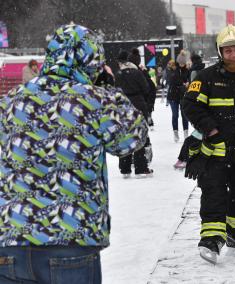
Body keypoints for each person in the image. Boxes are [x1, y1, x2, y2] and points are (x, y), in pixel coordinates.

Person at [0, 24, 147, 283]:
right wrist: (110, 91)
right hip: (70, 239)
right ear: (93, 61)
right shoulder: (95, 100)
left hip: (10, 241)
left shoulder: (9, 101)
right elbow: (132, 140)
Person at [182, 24, 235, 264]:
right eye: (228, 51)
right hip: (215, 151)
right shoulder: (206, 78)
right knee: (214, 194)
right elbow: (191, 105)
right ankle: (211, 239)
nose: (233, 55)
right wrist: (211, 129)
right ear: (220, 52)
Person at [115, 49, 154, 178]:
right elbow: (146, 87)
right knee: (139, 134)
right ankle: (140, 167)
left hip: (123, 106)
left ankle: (125, 168)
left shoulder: (118, 74)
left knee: (125, 135)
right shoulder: (136, 73)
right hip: (137, 104)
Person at [173, 53, 206, 170]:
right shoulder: (203, 69)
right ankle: (184, 158)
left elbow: (194, 90)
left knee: (194, 138)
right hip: (204, 108)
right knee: (195, 137)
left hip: (200, 107)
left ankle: (184, 159)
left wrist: (186, 87)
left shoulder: (193, 72)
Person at [168, 52, 189, 142]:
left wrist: (186, 84)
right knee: (175, 115)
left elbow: (189, 81)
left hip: (183, 96)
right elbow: (172, 81)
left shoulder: (187, 70)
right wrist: (183, 84)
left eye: (183, 63)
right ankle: (175, 133)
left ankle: (186, 133)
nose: (182, 64)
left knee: (184, 115)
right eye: (180, 62)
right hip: (173, 96)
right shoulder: (174, 69)